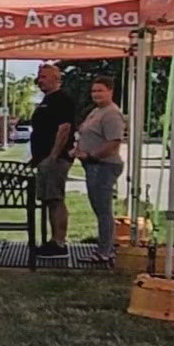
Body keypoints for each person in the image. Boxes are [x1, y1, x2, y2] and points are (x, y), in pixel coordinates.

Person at [71, 76, 126, 261]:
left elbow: (114, 142)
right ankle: (104, 248)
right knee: (99, 208)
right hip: (92, 166)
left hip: (104, 166)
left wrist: (92, 155)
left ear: (110, 91)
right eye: (94, 91)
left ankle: (105, 251)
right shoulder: (97, 111)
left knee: (103, 210)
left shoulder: (111, 113)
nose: (96, 94)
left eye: (100, 90)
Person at [28, 63, 76, 258]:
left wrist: (53, 156)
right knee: (48, 200)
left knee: (56, 199)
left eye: (45, 77)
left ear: (57, 79)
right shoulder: (46, 101)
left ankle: (59, 243)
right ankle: (53, 241)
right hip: (43, 159)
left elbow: (64, 128)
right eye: (39, 77)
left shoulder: (62, 99)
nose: (40, 80)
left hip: (55, 159)